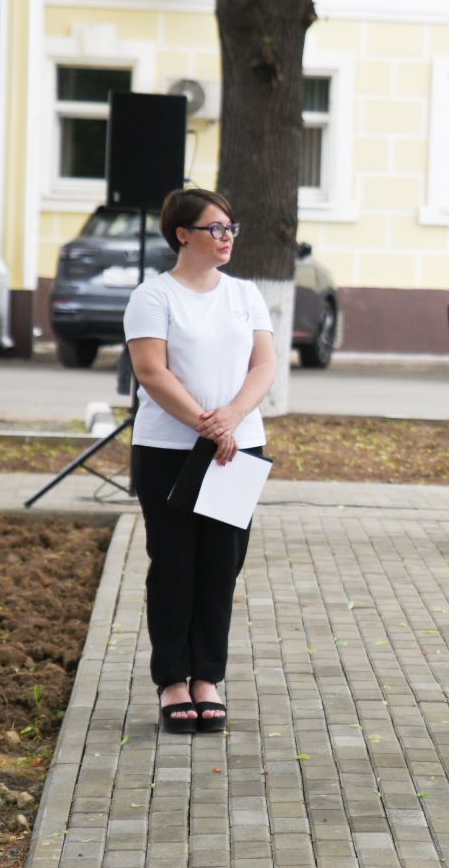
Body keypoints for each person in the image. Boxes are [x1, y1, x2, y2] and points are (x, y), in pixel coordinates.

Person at [124, 188, 276, 734]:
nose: (227, 236)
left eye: (232, 227)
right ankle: (172, 681)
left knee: (220, 565)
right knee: (174, 564)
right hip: (169, 450)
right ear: (182, 234)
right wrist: (206, 424)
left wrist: (231, 418)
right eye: (215, 228)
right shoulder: (154, 296)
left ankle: (207, 679)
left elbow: (264, 366)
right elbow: (152, 372)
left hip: (238, 449)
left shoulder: (245, 295)